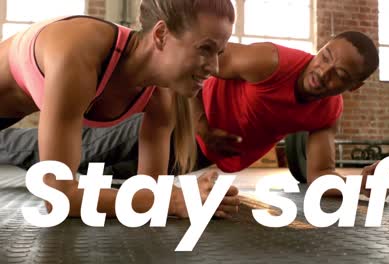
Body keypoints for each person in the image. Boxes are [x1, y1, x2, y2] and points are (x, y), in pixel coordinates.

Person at [1, 31, 381, 199]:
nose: (323, 72)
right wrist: (200, 122)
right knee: (74, 156)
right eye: (325, 57)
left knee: (108, 179)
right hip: (177, 122)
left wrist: (354, 186)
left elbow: (319, 175)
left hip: (192, 158)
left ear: (354, 87)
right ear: (321, 49)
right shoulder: (269, 62)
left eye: (340, 76)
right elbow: (199, 63)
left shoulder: (328, 111)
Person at [0, 0, 240, 219]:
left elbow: (149, 194)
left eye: (218, 53)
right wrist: (176, 199)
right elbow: (58, 196)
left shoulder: (162, 98)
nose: (215, 67)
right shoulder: (79, 54)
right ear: (161, 34)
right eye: (205, 49)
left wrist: (193, 197)